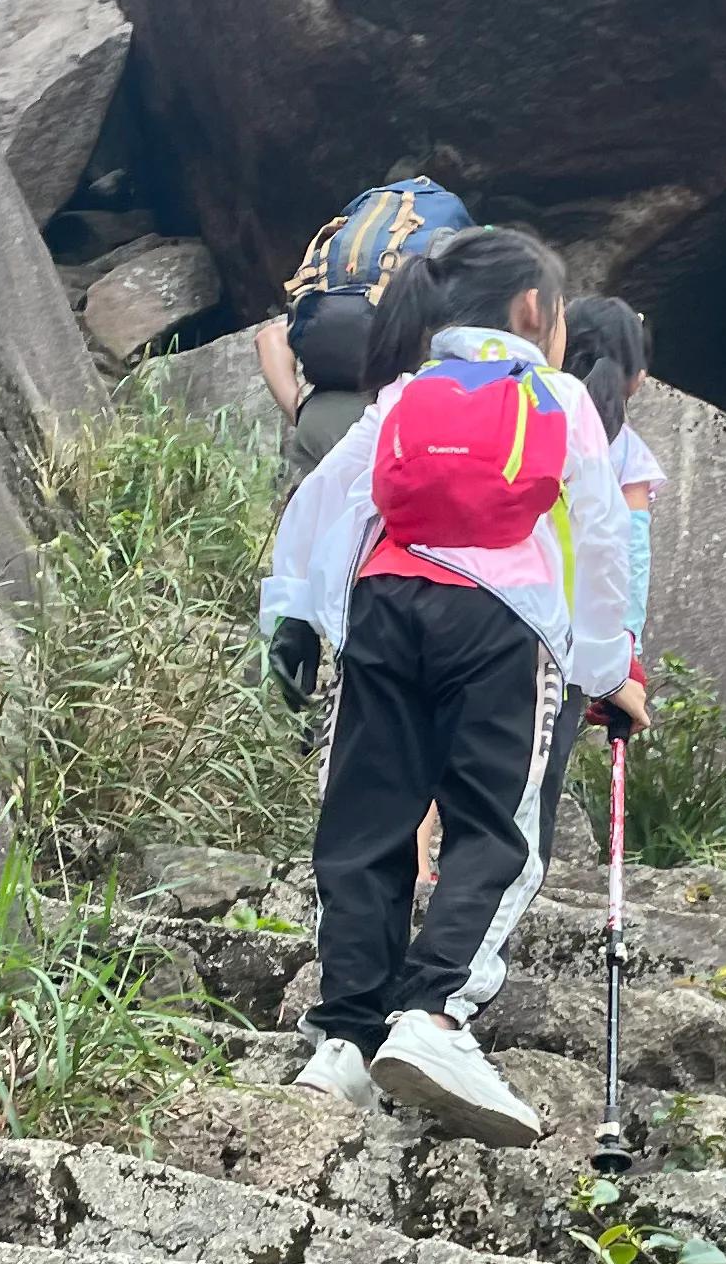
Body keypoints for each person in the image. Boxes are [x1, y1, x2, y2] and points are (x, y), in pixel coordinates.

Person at [259, 224, 647, 1146]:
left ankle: (344, 1039)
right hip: (504, 626)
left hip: (384, 608)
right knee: (495, 826)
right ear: (534, 314)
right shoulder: (557, 397)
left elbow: (328, 501)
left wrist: (298, 614)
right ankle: (435, 1017)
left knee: (365, 821)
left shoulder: (405, 393)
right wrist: (605, 666)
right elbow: (598, 539)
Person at [531, 294, 660, 859]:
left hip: (503, 608)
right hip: (575, 639)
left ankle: (424, 875)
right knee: (541, 772)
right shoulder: (626, 452)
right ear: (634, 377)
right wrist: (623, 656)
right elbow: (632, 555)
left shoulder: (530, 412)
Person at [255, 175, 470, 483]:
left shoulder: (335, 273)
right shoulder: (434, 279)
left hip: (321, 421)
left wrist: (299, 412)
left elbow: (269, 338)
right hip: (407, 430)